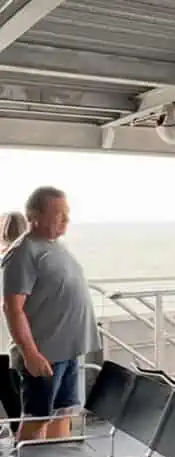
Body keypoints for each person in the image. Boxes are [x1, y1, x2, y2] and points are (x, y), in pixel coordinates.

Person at [2, 187, 100, 442]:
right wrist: (30, 354)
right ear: (34, 216)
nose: (66, 220)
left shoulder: (54, 245)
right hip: (44, 355)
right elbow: (13, 308)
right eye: (58, 215)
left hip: (67, 352)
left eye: (66, 214)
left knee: (62, 413)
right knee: (37, 418)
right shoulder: (23, 253)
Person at [0, 212, 28, 435]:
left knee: (10, 393)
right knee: (17, 395)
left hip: (7, 336)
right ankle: (21, 437)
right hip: (15, 337)